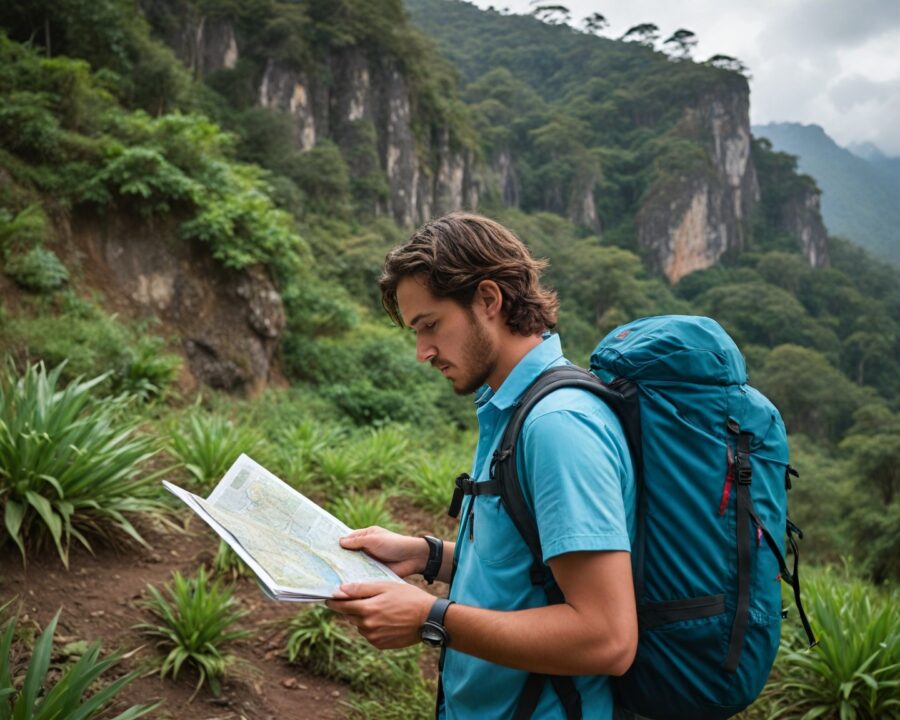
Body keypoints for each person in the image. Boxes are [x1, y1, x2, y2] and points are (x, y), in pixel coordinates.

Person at [326, 213, 637, 719]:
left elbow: (607, 638)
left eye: (430, 326)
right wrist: (428, 557)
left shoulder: (558, 427)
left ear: (489, 300)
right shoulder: (511, 408)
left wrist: (431, 618)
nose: (423, 352)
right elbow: (535, 568)